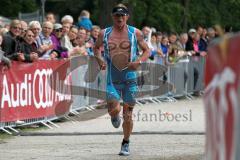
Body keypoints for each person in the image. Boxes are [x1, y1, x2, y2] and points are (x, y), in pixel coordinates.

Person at [93, 3, 150, 156]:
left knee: (128, 114)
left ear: (127, 16)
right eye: (117, 15)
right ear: (113, 17)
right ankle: (114, 115)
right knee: (114, 109)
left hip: (130, 77)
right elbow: (96, 48)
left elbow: (147, 50)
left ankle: (125, 143)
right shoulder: (104, 33)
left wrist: (138, 62)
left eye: (122, 15)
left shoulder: (135, 33)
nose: (120, 18)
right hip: (113, 77)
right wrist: (99, 60)